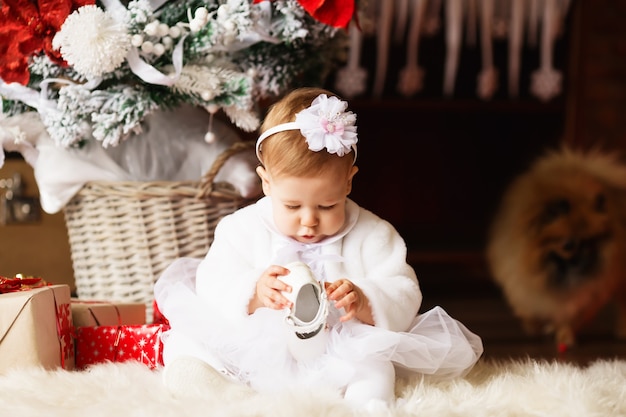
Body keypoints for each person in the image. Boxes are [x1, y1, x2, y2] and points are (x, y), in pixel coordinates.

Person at [154, 87, 483, 410]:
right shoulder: (241, 228)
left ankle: (365, 404)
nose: (308, 221)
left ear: (349, 182)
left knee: (375, 364)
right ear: (266, 183)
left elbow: (403, 288)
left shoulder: (374, 234)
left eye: (327, 206)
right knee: (189, 343)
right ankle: (228, 393)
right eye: (292, 206)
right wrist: (252, 292)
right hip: (259, 347)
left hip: (339, 350)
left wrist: (366, 299)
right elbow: (214, 280)